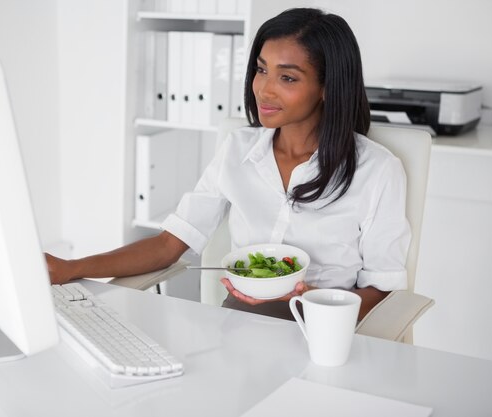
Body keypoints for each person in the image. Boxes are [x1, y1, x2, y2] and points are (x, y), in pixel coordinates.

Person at [46, 7, 410, 322]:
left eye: (287, 78)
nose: (264, 89)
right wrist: (70, 268)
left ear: (328, 87)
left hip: (323, 333)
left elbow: (383, 292)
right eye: (261, 70)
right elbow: (169, 245)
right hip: (239, 323)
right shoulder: (237, 149)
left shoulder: (377, 171)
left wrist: (304, 299)